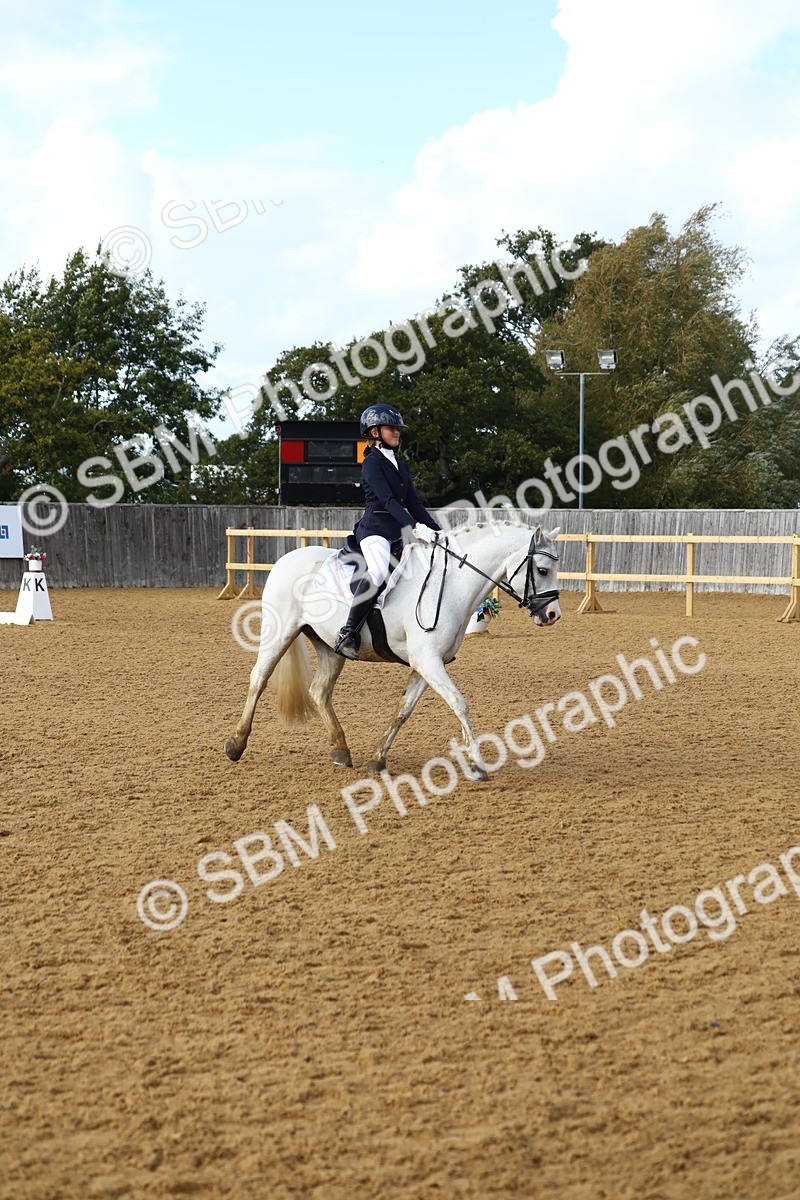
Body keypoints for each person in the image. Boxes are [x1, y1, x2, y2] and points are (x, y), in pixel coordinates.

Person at [334, 404, 441, 659]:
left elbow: (413, 503)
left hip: (397, 530)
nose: (397, 432)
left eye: (397, 428)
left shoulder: (400, 464)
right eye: (391, 428)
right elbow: (388, 501)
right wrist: (416, 528)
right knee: (380, 569)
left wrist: (438, 531)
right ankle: (348, 632)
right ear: (374, 432)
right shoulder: (371, 463)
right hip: (375, 530)